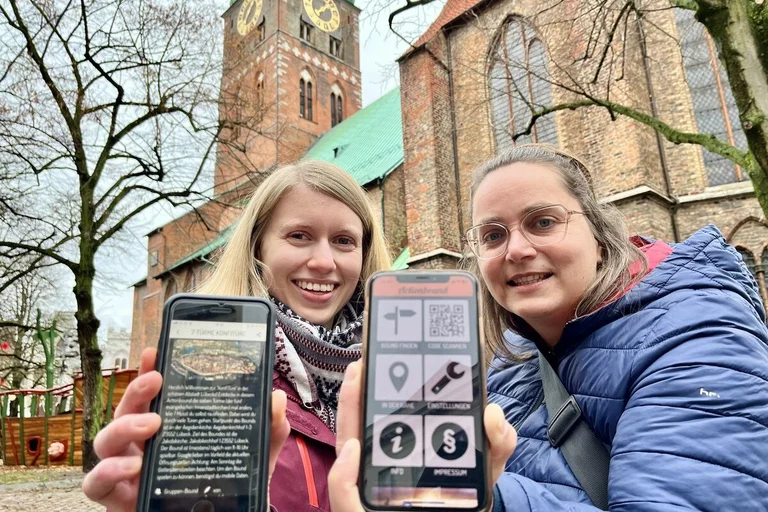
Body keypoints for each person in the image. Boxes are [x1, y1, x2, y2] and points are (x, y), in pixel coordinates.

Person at [82, 161, 518, 512]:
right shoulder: (216, 377)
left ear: (364, 254)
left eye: (344, 241)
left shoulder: (406, 373)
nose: (324, 261)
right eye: (299, 236)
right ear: (258, 247)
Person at [462, 144, 768, 511]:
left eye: (543, 222)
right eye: (493, 235)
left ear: (600, 241)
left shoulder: (701, 339)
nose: (516, 250)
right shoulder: (513, 352)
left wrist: (485, 497)